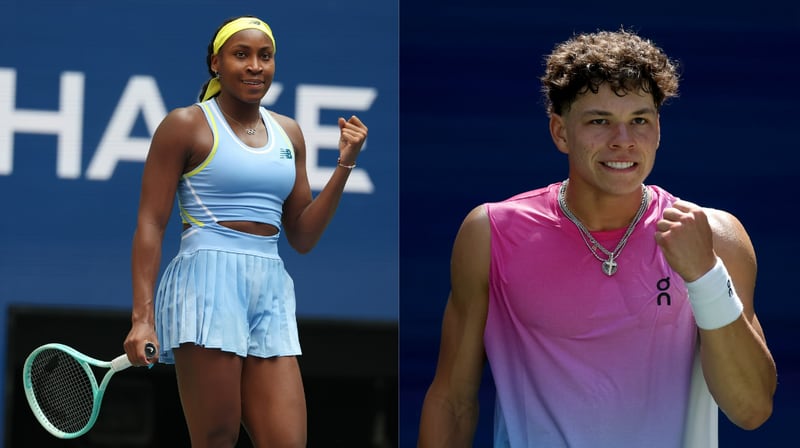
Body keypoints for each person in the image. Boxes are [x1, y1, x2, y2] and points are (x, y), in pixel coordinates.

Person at [417, 28, 776, 447]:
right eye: (599, 121)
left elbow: (751, 409)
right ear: (560, 132)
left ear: (658, 130)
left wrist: (705, 276)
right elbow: (453, 400)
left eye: (639, 120)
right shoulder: (490, 233)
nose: (622, 142)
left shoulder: (715, 237)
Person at [122, 15, 367, 447]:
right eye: (242, 55)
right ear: (216, 63)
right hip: (206, 284)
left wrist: (345, 164)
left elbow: (302, 236)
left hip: (270, 285)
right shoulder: (185, 125)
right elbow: (150, 223)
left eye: (265, 56)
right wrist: (143, 319)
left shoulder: (289, 132)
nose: (255, 66)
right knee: (216, 437)